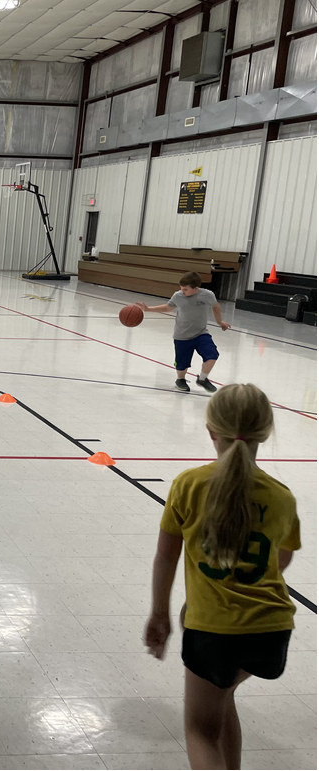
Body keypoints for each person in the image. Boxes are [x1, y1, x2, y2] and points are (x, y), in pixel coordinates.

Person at [144, 383, 300, 771]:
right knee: (223, 695)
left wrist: (160, 615)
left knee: (200, 733)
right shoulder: (281, 497)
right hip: (271, 631)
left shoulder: (189, 485)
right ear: (265, 432)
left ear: (211, 430)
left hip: (213, 633)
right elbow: (280, 562)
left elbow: (166, 557)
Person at [136, 271, 231, 393]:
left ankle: (202, 379)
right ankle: (180, 379)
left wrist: (220, 321)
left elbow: (215, 306)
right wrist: (148, 309)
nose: (182, 291)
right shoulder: (178, 296)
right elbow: (167, 307)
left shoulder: (207, 295)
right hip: (182, 336)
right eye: (181, 289)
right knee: (182, 364)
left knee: (212, 355)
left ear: (196, 288)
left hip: (201, 333)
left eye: (185, 289)